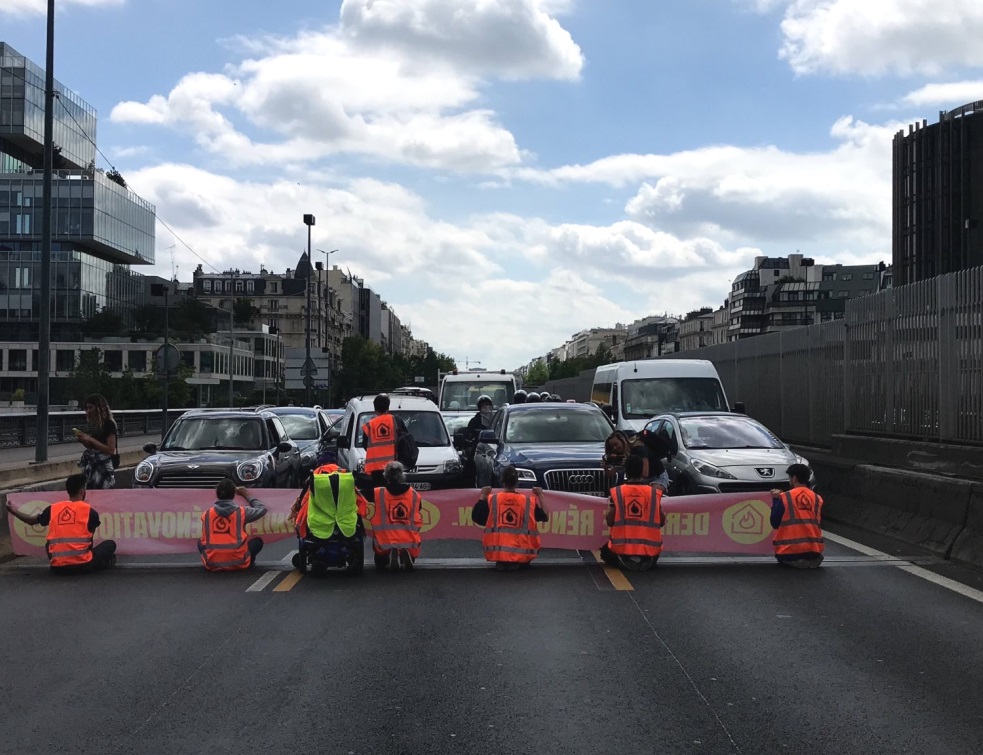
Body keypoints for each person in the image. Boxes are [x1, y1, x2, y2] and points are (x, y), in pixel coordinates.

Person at [5, 473, 117, 573]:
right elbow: (89, 539)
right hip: (83, 564)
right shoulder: (90, 512)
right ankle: (99, 564)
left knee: (49, 543)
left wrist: (12, 511)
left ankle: (62, 561)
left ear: (68, 491)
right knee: (110, 544)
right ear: (82, 491)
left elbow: (30, 521)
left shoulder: (53, 508)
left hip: (57, 567)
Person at [471, 465, 549, 570]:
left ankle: (504, 561)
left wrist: (482, 496)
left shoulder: (492, 499)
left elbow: (476, 517)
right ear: (517, 482)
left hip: (498, 554)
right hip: (523, 553)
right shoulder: (527, 501)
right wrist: (540, 495)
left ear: (502, 480)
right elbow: (545, 516)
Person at [599, 454, 665, 571]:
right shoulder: (653, 494)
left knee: (604, 552)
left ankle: (626, 562)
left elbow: (610, 521)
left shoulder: (617, 493)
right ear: (641, 471)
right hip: (649, 551)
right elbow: (662, 521)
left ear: (626, 471)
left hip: (621, 549)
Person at [198, 479, 268, 571]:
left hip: (212, 563)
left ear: (217, 494)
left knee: (200, 541)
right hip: (239, 562)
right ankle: (248, 560)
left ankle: (216, 558)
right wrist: (246, 494)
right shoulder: (241, 512)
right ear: (234, 494)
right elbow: (261, 509)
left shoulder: (206, 514)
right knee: (257, 541)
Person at [371, 461, 423, 572]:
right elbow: (419, 510)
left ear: (386, 476)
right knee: (409, 546)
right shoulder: (413, 494)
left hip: (385, 540)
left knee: (380, 563)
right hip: (409, 538)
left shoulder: (378, 493)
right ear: (402, 475)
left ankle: (390, 554)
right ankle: (404, 552)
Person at [771, 463, 824, 569]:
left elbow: (774, 522)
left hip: (789, 551)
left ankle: (796, 561)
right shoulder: (817, 498)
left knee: (786, 559)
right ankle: (810, 560)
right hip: (814, 550)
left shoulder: (785, 497)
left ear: (794, 478)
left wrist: (775, 500)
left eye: (790, 477)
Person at [359, 393, 408, 490]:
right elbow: (405, 440)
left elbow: (365, 445)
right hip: (393, 466)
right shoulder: (395, 420)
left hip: (375, 467)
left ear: (375, 409)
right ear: (388, 407)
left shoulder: (369, 425)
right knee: (393, 492)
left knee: (379, 494)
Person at [74, 393, 118, 490]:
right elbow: (93, 446)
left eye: (91, 408)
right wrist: (83, 441)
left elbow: (110, 450)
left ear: (99, 408)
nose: (88, 411)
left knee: (103, 491)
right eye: (86, 408)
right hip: (92, 462)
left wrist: (91, 439)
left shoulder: (109, 424)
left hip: (103, 464)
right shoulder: (93, 424)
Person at [603, 430, 670, 490]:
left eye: (616, 444)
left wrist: (628, 468)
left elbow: (645, 473)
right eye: (612, 447)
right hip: (642, 480)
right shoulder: (624, 454)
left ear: (623, 440)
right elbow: (610, 474)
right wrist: (606, 467)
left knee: (651, 494)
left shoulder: (639, 449)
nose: (614, 448)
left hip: (657, 477)